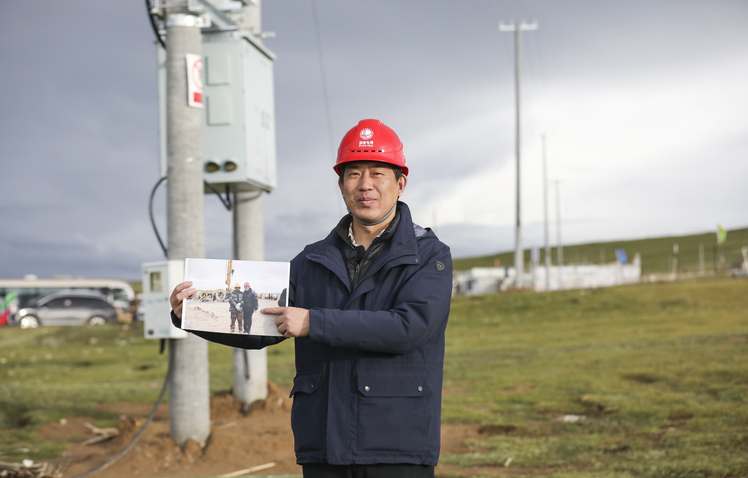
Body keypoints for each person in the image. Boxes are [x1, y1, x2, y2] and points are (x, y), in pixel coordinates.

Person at [170, 118, 453, 478]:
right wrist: (192, 312)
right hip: (324, 445)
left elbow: (409, 328)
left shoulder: (428, 256)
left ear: (400, 183)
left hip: (396, 444)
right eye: (354, 174)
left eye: (378, 173)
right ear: (341, 185)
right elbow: (261, 323)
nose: (365, 185)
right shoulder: (312, 260)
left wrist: (314, 322)